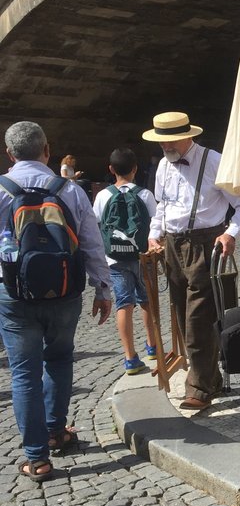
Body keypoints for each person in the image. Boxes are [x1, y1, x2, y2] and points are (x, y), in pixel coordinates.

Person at [0, 121, 112, 482]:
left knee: (23, 373)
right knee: (60, 358)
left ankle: (37, 458)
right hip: (66, 292)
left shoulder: (1, 190)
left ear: (9, 154)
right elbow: (93, 241)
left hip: (13, 294)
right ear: (46, 150)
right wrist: (103, 288)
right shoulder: (69, 190)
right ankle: (56, 431)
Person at [144, 111, 240, 411]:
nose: (165, 147)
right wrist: (155, 235)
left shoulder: (215, 161)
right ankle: (210, 377)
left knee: (198, 319)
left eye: (170, 141)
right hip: (172, 246)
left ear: (188, 136)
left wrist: (230, 234)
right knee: (182, 316)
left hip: (205, 243)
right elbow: (162, 207)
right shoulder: (163, 167)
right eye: (161, 142)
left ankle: (201, 388)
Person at [92, 148, 159, 375]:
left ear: (111, 169)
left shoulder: (103, 196)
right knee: (147, 302)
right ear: (135, 169)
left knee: (124, 304)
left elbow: (95, 227)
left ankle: (130, 357)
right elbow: (156, 226)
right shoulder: (145, 195)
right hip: (142, 257)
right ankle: (153, 347)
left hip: (114, 259)